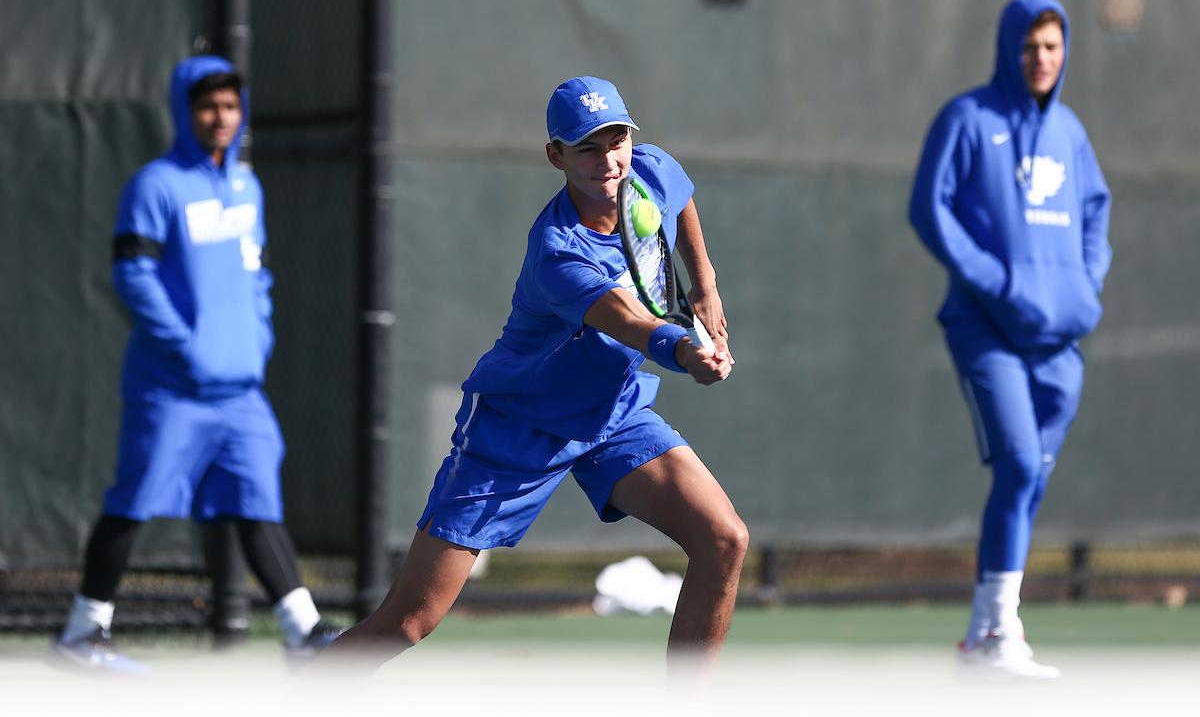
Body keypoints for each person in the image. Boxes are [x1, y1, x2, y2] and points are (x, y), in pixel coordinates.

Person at [316, 76, 746, 701]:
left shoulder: (647, 168)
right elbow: (629, 321)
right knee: (407, 623)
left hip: (611, 414)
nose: (609, 160)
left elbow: (679, 200)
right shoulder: (557, 254)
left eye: (617, 140)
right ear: (557, 157)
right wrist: (685, 350)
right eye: (587, 148)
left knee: (724, 539)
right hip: (518, 430)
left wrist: (703, 283)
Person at [51, 56, 340, 673]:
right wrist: (187, 347)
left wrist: (255, 336)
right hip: (171, 386)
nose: (220, 118)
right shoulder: (155, 185)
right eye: (208, 106)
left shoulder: (247, 186)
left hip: (240, 390)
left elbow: (256, 272)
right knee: (132, 501)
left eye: (231, 107)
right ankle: (81, 635)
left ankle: (303, 636)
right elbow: (133, 275)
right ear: (185, 111)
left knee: (257, 498)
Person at [909, 0, 1112, 682]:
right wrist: (997, 280)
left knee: (1030, 483)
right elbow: (928, 207)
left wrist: (1084, 286)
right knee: (1020, 467)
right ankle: (996, 631)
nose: (1042, 59)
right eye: (1030, 47)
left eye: (1053, 47)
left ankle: (985, 634)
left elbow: (1094, 213)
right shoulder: (968, 119)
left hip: (1061, 341)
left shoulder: (1072, 135)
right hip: (985, 330)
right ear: (1008, 48)